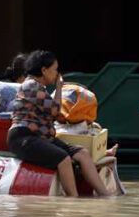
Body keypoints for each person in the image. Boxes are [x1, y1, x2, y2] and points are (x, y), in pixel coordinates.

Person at [8, 50, 114, 197]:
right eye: (55, 70)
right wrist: (59, 87)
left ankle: (106, 195)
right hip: (24, 138)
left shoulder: (40, 88)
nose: (57, 73)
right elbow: (55, 111)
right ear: (44, 70)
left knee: (82, 153)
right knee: (63, 158)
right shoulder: (30, 86)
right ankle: (73, 199)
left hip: (43, 138)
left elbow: (54, 113)